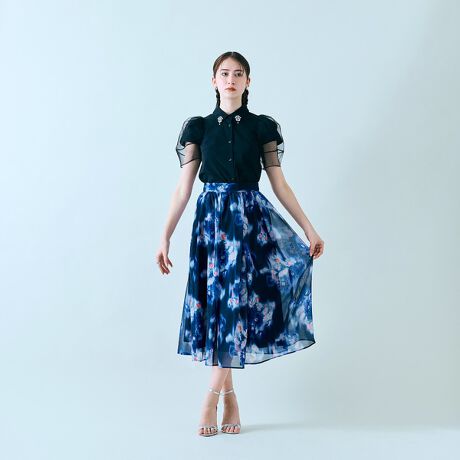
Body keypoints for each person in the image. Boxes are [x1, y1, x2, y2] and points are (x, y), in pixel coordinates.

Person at [155, 51, 325, 437]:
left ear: (248, 82)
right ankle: (230, 394)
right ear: (213, 81)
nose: (230, 79)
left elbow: (279, 184)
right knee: (220, 308)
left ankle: (211, 397)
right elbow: (183, 189)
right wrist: (165, 235)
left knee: (236, 305)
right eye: (224, 73)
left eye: (238, 73)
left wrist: (309, 229)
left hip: (249, 226)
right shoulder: (198, 128)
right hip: (211, 227)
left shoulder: (262, 127)